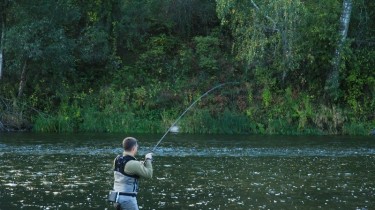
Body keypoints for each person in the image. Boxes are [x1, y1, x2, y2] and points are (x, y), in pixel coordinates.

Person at [112, 137, 153, 210]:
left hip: (116, 198)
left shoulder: (117, 159)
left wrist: (140, 164)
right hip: (127, 199)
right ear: (133, 148)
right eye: (137, 147)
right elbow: (149, 174)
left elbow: (125, 170)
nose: (137, 148)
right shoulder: (133, 164)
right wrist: (148, 159)